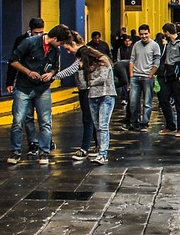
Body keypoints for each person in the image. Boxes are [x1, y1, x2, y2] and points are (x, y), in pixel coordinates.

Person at [7, 23, 69, 164]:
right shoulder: (29, 43)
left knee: (45, 121)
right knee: (18, 120)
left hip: (43, 88)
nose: (60, 45)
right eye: (60, 42)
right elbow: (13, 61)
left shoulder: (55, 50)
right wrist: (28, 72)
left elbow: (55, 67)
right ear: (53, 38)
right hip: (24, 87)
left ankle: (44, 152)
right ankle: (15, 151)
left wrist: (51, 74)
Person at [54, 33, 96, 161]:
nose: (67, 52)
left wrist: (53, 77)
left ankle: (85, 148)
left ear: (73, 44)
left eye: (67, 48)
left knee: (88, 119)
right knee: (91, 120)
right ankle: (98, 145)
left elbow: (71, 70)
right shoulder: (85, 53)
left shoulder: (84, 54)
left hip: (88, 89)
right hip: (85, 89)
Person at [5, 18, 44, 152]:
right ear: (30, 30)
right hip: (24, 82)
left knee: (44, 117)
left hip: (40, 83)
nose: (38, 35)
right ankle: (32, 141)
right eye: (36, 32)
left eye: (41, 32)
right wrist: (9, 81)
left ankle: (45, 141)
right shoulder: (21, 41)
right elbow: (13, 60)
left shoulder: (45, 41)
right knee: (25, 116)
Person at [77, 43, 117, 164]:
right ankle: (100, 151)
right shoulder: (85, 66)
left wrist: (91, 82)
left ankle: (103, 154)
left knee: (103, 125)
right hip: (92, 96)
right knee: (97, 126)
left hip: (106, 95)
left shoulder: (103, 61)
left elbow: (102, 78)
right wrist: (80, 70)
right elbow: (82, 84)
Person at [157, 22, 180, 136]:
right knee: (163, 100)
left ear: (167, 32)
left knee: (179, 102)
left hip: (177, 77)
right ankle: (170, 125)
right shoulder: (167, 45)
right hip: (166, 76)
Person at [128, 24, 162, 130]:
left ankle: (145, 122)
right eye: (141, 34)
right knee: (133, 102)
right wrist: (131, 74)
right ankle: (134, 122)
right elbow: (132, 59)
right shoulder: (136, 45)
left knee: (147, 102)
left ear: (149, 33)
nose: (143, 36)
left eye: (145, 34)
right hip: (135, 77)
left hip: (148, 77)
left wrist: (150, 74)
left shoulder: (154, 45)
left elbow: (157, 62)